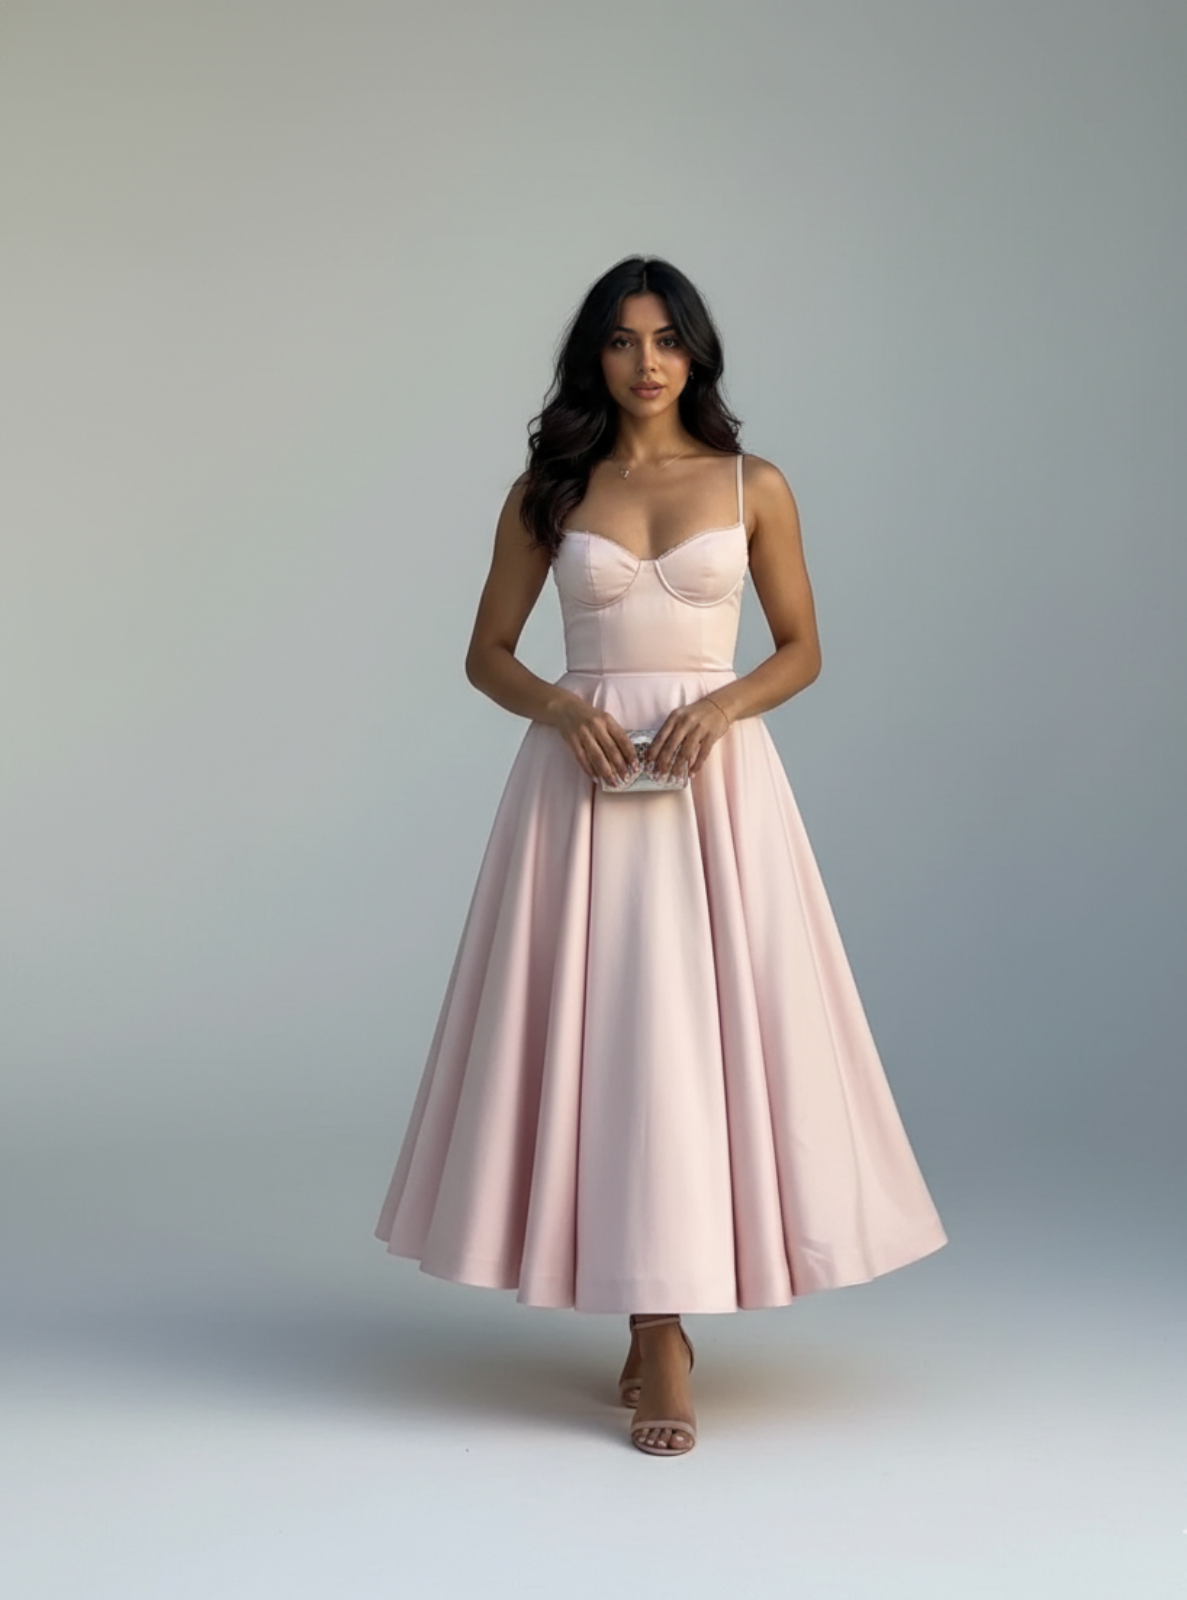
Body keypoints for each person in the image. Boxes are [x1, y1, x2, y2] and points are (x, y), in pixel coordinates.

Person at [374, 255, 947, 1457]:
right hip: (579, 788)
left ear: (696, 352)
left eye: (666, 339)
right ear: (594, 357)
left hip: (710, 792)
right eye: (623, 341)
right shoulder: (549, 487)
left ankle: (666, 1332)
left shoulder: (754, 484)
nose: (646, 363)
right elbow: (484, 650)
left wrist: (722, 707)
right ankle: (651, 1325)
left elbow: (800, 646)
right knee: (608, 1039)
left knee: (701, 1041)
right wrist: (556, 706)